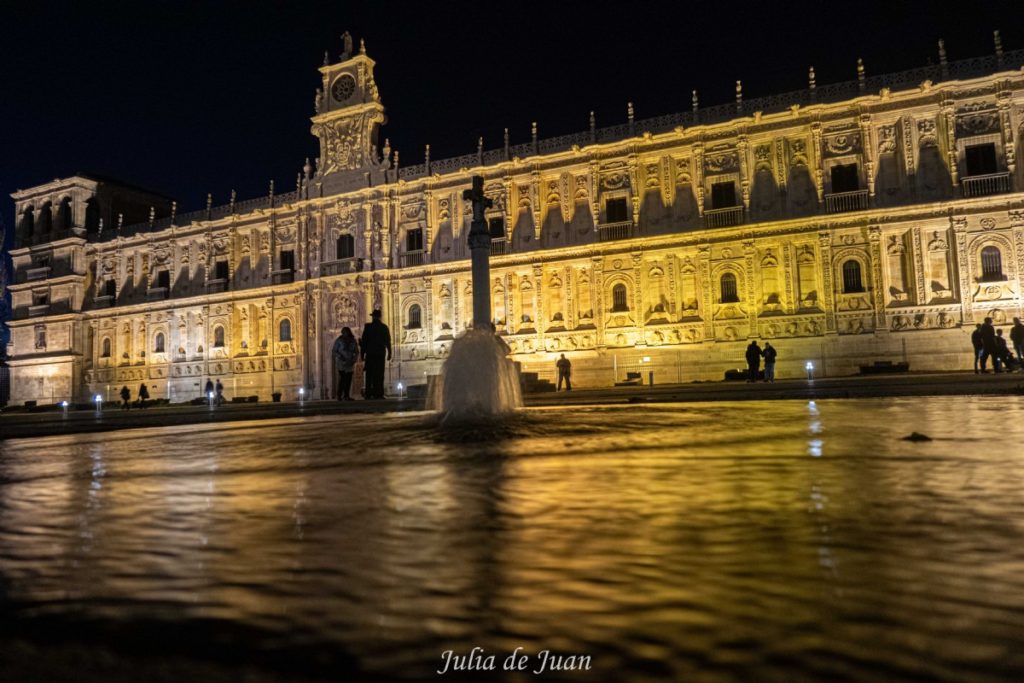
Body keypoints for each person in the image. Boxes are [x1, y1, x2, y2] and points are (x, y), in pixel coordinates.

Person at [360, 309, 392, 399]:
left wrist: (362, 355)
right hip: (380, 353)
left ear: (373, 317)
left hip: (370, 353)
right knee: (379, 374)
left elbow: (364, 342)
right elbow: (388, 341)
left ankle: (368, 394)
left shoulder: (368, 327)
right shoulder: (384, 327)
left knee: (369, 374)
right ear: (380, 317)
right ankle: (379, 394)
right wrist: (390, 353)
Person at [332, 326, 359, 401]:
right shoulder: (339, 341)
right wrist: (340, 357)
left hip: (350, 363)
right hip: (342, 363)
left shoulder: (353, 341)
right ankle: (339, 395)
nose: (345, 334)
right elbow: (334, 351)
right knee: (342, 379)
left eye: (346, 332)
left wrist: (354, 359)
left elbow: (356, 351)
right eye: (343, 332)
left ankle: (346, 395)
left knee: (348, 379)